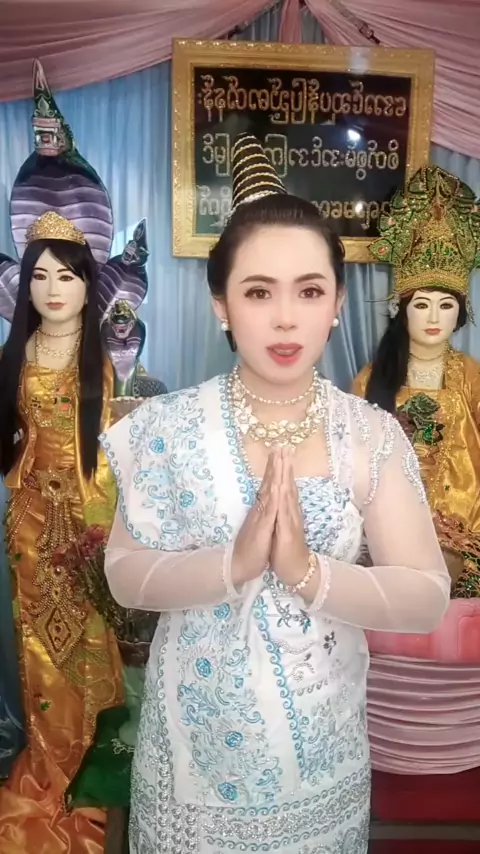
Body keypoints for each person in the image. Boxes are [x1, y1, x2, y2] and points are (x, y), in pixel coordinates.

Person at [101, 134, 450, 853]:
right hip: (191, 761)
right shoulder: (167, 426)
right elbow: (124, 574)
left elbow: (424, 595)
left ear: (336, 303)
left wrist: (305, 572)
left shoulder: (369, 435)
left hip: (319, 762)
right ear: (221, 305)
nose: (285, 317)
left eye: (309, 291)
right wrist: (232, 565)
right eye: (259, 291)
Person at [0, 213, 123, 853]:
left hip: (86, 528)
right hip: (29, 525)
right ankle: (49, 765)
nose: (52, 289)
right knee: (39, 651)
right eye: (41, 276)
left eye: (67, 277)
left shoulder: (103, 360)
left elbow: (113, 453)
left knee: (90, 644)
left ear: (86, 286)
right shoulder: (15, 355)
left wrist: (102, 533)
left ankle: (92, 771)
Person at [352, 165, 480, 776]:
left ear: (462, 312)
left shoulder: (474, 380)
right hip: (386, 541)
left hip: (467, 539)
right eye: (421, 303)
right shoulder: (369, 382)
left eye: (446, 304)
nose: (433, 316)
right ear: (400, 307)